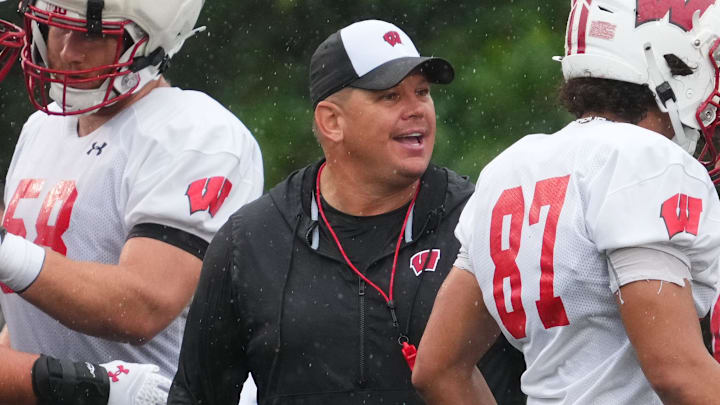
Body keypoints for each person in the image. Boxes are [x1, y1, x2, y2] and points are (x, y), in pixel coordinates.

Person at [167, 19, 525, 405]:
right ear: (332, 121)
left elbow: (555, 369)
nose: (416, 109)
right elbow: (196, 396)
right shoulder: (250, 239)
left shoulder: (485, 218)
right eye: (390, 96)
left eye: (422, 92)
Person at [413, 1, 720, 404]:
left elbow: (437, 368)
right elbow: (675, 369)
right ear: (667, 61)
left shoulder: (511, 167)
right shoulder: (647, 161)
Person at [0, 0, 263, 404]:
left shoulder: (196, 132)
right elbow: (28, 307)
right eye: (57, 28)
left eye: (92, 33)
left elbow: (140, 306)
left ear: (146, 43)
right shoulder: (43, 125)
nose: (69, 50)